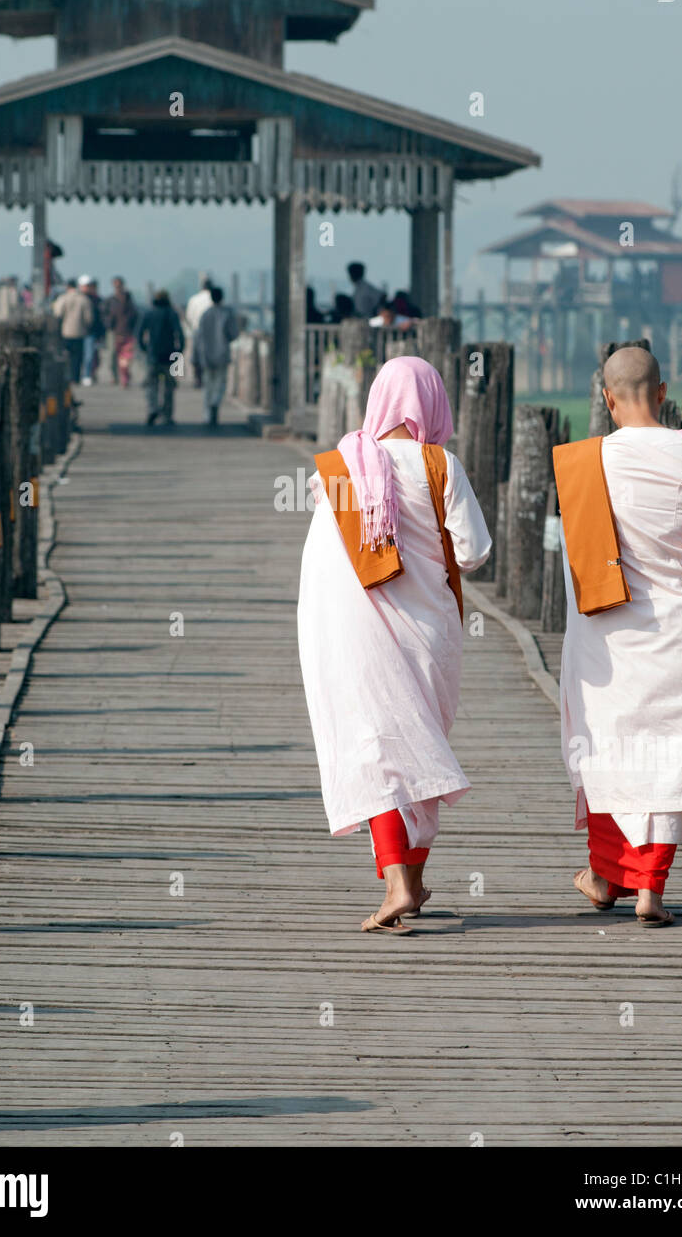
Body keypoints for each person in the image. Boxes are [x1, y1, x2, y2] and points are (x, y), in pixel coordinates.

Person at [556, 346, 682, 927]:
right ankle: (648, 889)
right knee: (668, 752)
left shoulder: (586, 461)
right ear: (664, 392)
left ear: (606, 398)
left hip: (605, 632)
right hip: (680, 626)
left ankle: (606, 874)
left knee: (610, 751)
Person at [297, 357, 492, 933]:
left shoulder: (339, 470)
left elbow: (323, 569)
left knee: (379, 746)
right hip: (431, 631)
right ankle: (409, 875)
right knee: (420, 745)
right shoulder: (441, 464)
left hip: (355, 633)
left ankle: (400, 882)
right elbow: (475, 550)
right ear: (433, 405)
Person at [192, 287, 238, 429]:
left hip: (206, 356)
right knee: (220, 384)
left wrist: (195, 357)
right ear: (222, 297)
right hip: (222, 354)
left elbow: (198, 337)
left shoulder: (205, 314)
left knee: (208, 386)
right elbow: (233, 334)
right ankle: (215, 403)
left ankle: (207, 415)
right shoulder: (227, 313)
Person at [139, 290, 184, 428]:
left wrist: (144, 348)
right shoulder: (172, 313)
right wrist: (179, 350)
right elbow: (180, 334)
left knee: (152, 385)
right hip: (169, 355)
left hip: (153, 354)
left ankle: (152, 409)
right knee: (169, 387)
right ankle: (167, 415)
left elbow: (140, 333)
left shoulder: (149, 313)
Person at [52, 279, 93, 383]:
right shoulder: (84, 299)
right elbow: (89, 318)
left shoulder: (63, 298)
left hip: (65, 332)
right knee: (77, 357)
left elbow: (57, 314)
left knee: (66, 355)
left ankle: (66, 377)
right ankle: (75, 377)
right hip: (80, 332)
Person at [105, 276, 139, 387]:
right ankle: (116, 376)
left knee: (126, 357)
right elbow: (106, 315)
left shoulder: (129, 301)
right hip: (114, 332)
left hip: (127, 332)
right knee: (113, 355)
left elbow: (135, 317)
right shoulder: (111, 300)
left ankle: (124, 376)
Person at [185, 274, 214, 387]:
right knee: (210, 355)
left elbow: (189, 317)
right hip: (211, 331)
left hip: (197, 330)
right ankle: (210, 378)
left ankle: (198, 379)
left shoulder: (194, 299)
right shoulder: (213, 298)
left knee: (197, 356)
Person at [79, 275, 106, 385]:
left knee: (91, 356)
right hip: (79, 332)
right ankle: (84, 374)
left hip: (92, 332)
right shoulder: (80, 298)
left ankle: (88, 375)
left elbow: (100, 319)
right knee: (82, 356)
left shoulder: (97, 300)